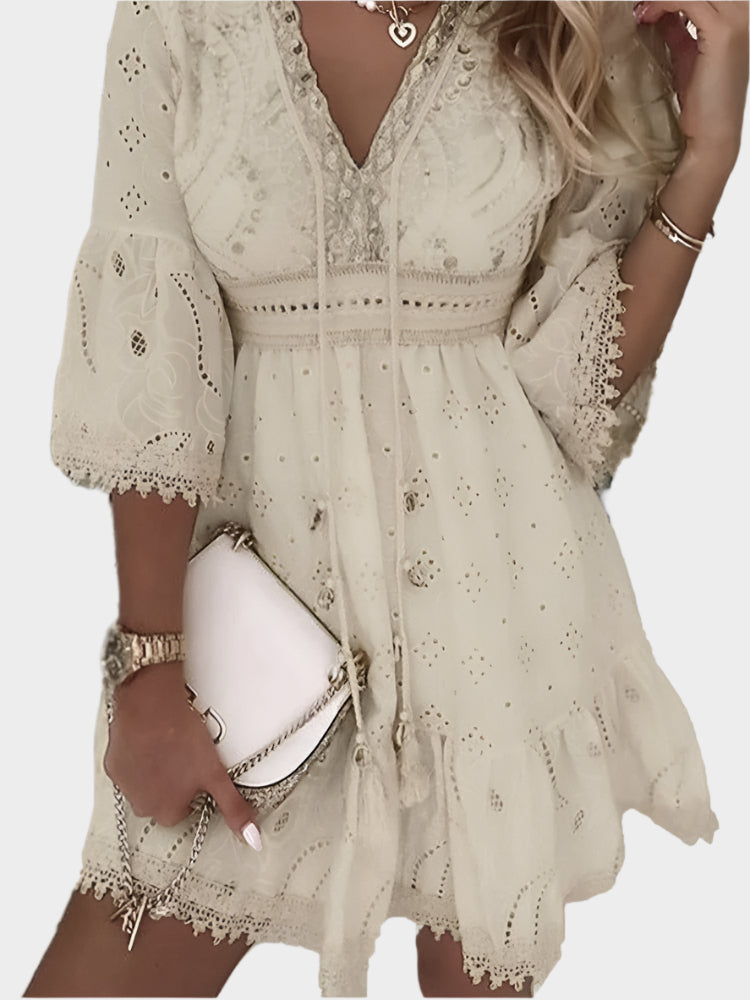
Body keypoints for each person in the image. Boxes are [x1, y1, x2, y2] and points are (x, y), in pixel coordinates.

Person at [25, 0, 747, 996]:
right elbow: (153, 346)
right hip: (263, 639)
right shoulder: (182, 15)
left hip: (489, 619)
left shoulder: (563, 28)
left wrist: (706, 161)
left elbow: (573, 397)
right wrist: (150, 662)